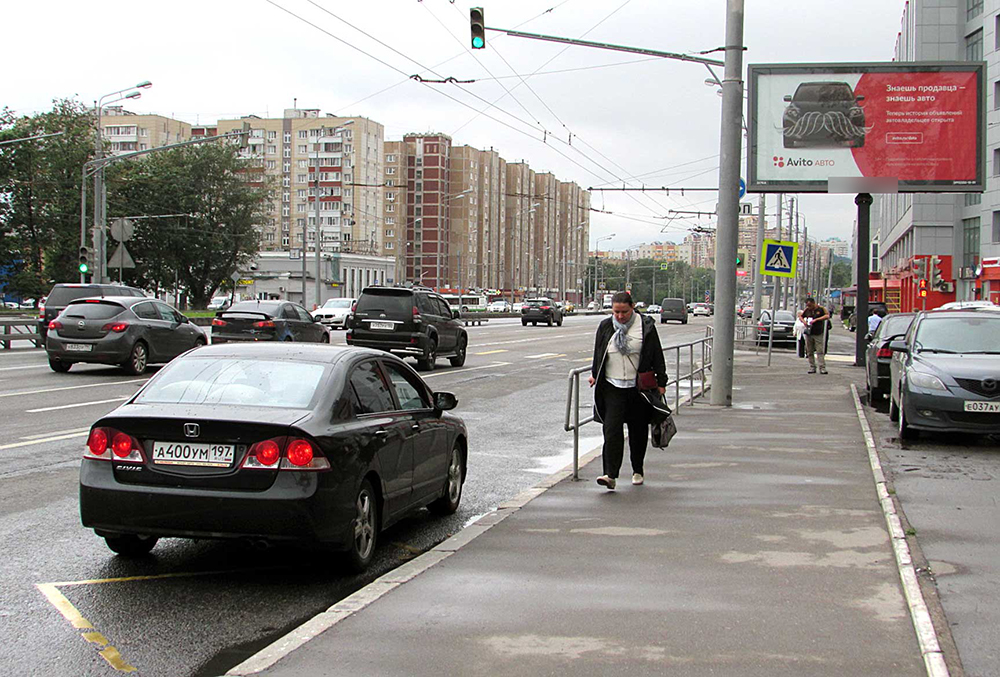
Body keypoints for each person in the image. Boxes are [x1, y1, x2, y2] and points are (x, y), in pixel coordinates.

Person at [588, 291, 668, 490]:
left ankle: (637, 470)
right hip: (612, 386)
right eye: (616, 312)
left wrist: (661, 381)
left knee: (637, 430)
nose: (620, 316)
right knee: (611, 430)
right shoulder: (606, 326)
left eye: (624, 312)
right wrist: (595, 374)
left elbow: (656, 354)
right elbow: (599, 352)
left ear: (632, 307)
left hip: (638, 388)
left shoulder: (645, 326)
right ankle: (610, 475)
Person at [798, 297, 831, 374]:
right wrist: (804, 322)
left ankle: (822, 367)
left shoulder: (821, 309)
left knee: (819, 350)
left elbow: (827, 316)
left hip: (818, 332)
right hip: (809, 332)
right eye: (807, 305)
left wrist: (816, 320)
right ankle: (812, 367)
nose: (809, 307)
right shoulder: (807, 310)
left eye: (810, 305)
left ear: (813, 303)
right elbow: (801, 316)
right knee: (809, 351)